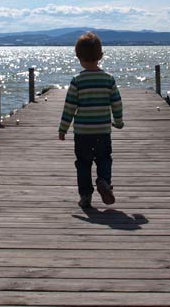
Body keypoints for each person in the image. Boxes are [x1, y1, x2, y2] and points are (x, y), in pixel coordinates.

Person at [58, 31, 123, 209]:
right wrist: (118, 121)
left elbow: (69, 107)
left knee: (83, 164)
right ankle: (104, 181)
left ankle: (85, 195)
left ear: (78, 56)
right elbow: (116, 103)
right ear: (101, 56)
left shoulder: (77, 81)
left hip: (82, 133)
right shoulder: (108, 79)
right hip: (103, 131)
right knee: (104, 159)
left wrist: (63, 128)